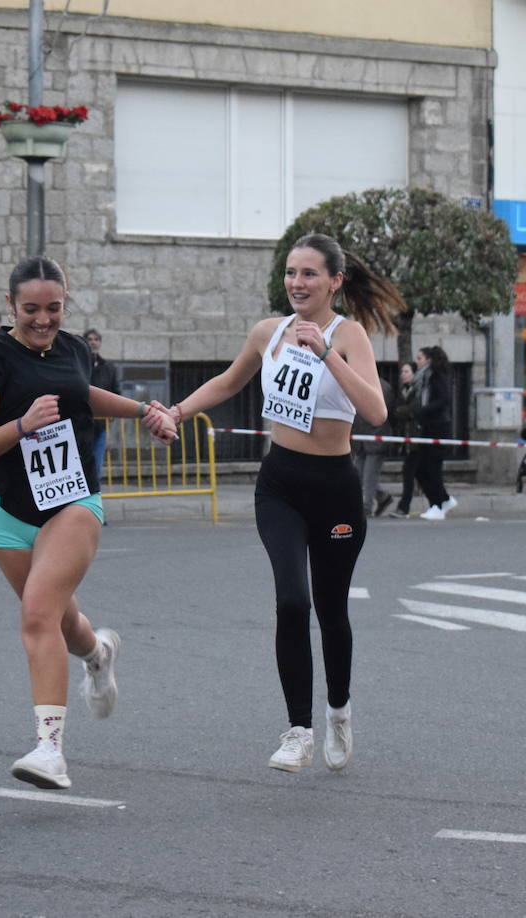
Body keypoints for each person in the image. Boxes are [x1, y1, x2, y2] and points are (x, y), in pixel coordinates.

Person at [168, 232, 400, 774]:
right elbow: (227, 382)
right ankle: (298, 729)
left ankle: (338, 709)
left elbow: (375, 410)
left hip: (335, 487)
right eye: (291, 273)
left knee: (332, 608)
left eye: (310, 274)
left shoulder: (350, 335)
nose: (297, 283)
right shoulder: (267, 333)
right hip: (280, 485)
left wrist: (325, 352)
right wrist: (176, 412)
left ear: (335, 282)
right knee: (292, 602)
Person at [0, 255, 176, 789]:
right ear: (11, 305)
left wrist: (143, 412)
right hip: (6, 507)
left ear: (66, 302)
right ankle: (98, 654)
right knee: (59, 621)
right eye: (30, 309)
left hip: (70, 499)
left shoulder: (75, 348)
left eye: (53, 308)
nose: (42, 319)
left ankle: (48, 750)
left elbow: (84, 396)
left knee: (36, 614)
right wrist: (22, 425)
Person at [413, 345, 458, 520]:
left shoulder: (435, 376)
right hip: (429, 427)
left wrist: (422, 411)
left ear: (429, 360)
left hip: (438, 427)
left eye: (420, 358)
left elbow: (442, 400)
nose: (417, 362)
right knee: (421, 468)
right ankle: (443, 500)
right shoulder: (424, 377)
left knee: (431, 468)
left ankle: (437, 504)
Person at [351, 365, 394, 517]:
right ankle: (382, 497)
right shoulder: (356, 382)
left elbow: (380, 413)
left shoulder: (383, 387)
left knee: (369, 476)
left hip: (375, 439)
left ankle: (367, 507)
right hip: (361, 439)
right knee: (359, 475)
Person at [84, 328, 120, 485]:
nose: (93, 342)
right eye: (89, 339)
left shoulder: (108, 368)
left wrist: (109, 418)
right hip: (81, 426)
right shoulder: (79, 365)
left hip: (100, 427)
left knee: (96, 468)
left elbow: (116, 393)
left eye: (96, 339)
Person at [387, 361, 422, 518]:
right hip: (408, 437)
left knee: (410, 471)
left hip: (418, 437)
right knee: (416, 472)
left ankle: (404, 507)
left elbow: (414, 409)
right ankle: (440, 501)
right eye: (402, 371)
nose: (403, 375)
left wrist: (404, 411)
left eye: (406, 371)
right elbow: (397, 411)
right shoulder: (403, 391)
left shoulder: (418, 390)